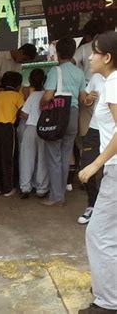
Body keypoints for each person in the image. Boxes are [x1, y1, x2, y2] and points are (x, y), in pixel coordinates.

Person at [78, 31, 117, 314]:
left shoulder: (114, 83)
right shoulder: (106, 83)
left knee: (98, 233)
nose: (89, 56)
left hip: (116, 169)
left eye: (94, 51)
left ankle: (107, 302)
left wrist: (95, 164)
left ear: (108, 57)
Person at [40, 37, 86, 206]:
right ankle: (60, 195)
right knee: (66, 156)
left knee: (53, 157)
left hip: (57, 116)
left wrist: (41, 105)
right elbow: (82, 98)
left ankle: (56, 196)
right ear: (73, 52)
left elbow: (48, 96)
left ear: (58, 53)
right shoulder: (79, 73)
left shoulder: (55, 71)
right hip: (73, 115)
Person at [0, 71, 24, 197]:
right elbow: (23, 112)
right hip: (7, 129)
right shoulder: (17, 95)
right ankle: (7, 188)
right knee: (8, 159)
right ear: (17, 85)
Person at [77, 72, 105, 224]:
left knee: (110, 171)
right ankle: (92, 205)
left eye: (96, 53)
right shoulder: (96, 77)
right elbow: (86, 102)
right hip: (95, 129)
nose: (90, 57)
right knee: (86, 167)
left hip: (113, 132)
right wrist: (88, 100)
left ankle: (106, 211)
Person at [19, 69, 49, 198]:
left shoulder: (32, 95)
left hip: (31, 128)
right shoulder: (48, 95)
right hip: (45, 129)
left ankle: (25, 187)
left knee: (27, 158)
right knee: (43, 158)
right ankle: (41, 188)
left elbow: (24, 113)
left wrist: (32, 118)